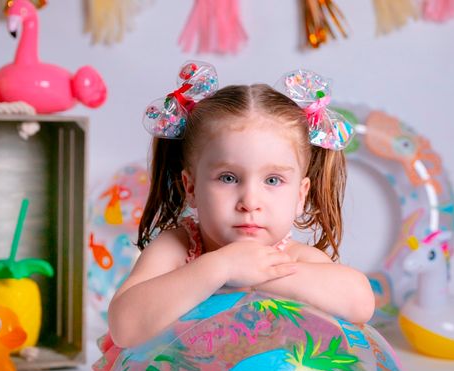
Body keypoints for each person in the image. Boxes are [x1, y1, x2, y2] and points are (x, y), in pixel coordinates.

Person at [106, 62, 374, 352]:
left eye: (273, 180)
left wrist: (261, 274)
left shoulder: (293, 258)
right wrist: (220, 268)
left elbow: (360, 302)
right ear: (191, 188)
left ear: (301, 195)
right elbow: (124, 327)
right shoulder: (179, 247)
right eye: (228, 178)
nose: (250, 202)